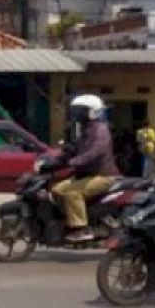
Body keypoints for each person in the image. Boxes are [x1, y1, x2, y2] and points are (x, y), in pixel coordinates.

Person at [52, 94, 120, 243]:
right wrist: (57, 159)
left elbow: (94, 152)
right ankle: (72, 220)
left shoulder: (100, 130)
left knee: (72, 191)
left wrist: (74, 162)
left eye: (81, 111)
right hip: (88, 175)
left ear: (92, 111)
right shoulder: (85, 129)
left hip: (104, 176)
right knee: (57, 190)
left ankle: (82, 229)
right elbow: (75, 148)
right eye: (76, 111)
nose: (77, 115)